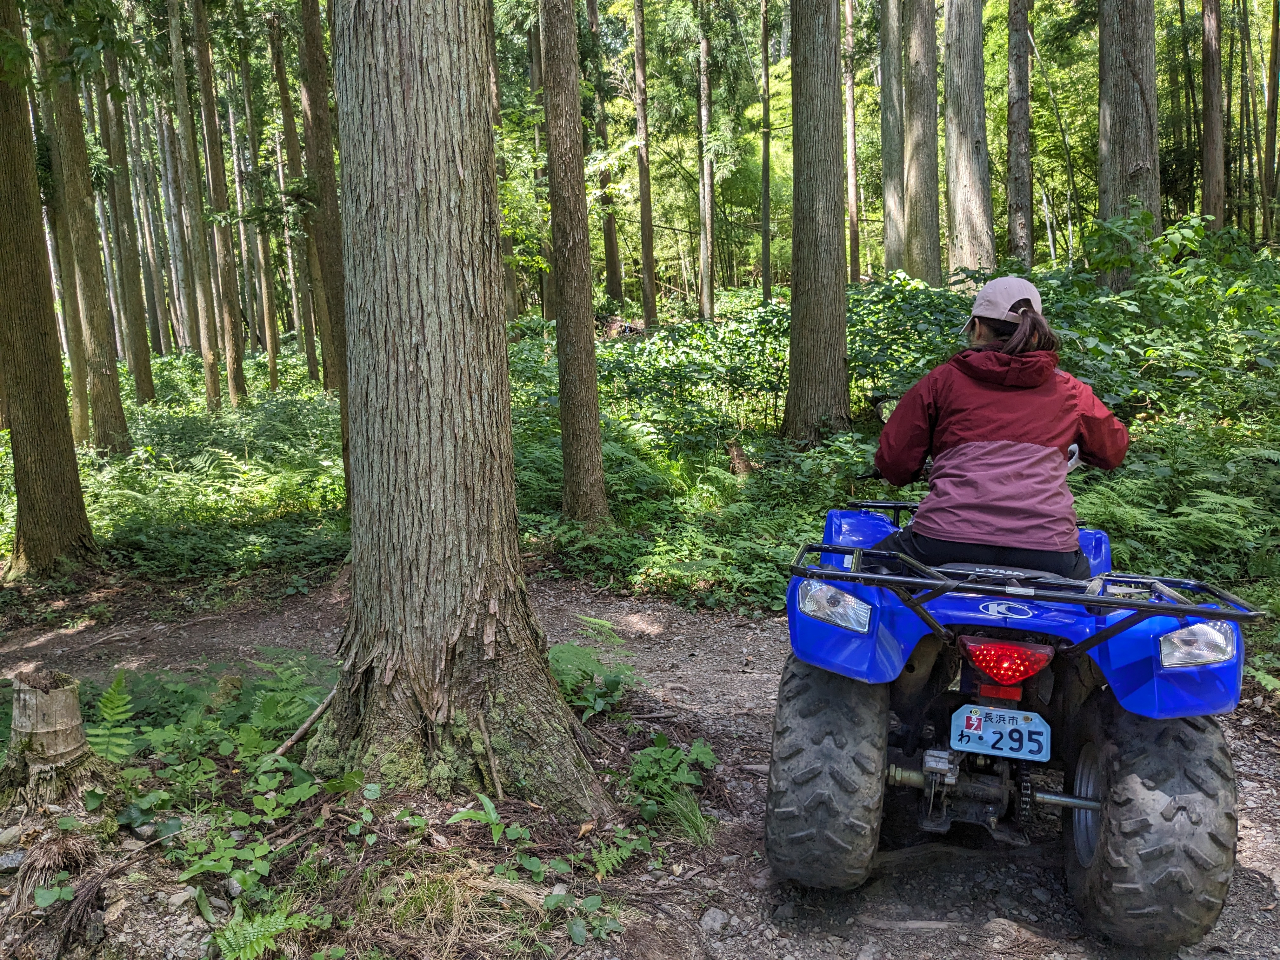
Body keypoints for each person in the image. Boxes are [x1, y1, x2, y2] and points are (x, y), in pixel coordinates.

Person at [872, 276, 1129, 579]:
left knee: (863, 574)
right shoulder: (1071, 390)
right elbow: (1112, 451)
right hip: (1049, 551)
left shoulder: (941, 382)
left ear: (978, 327)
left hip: (942, 541)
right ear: (1034, 332)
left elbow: (895, 463)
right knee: (1089, 608)